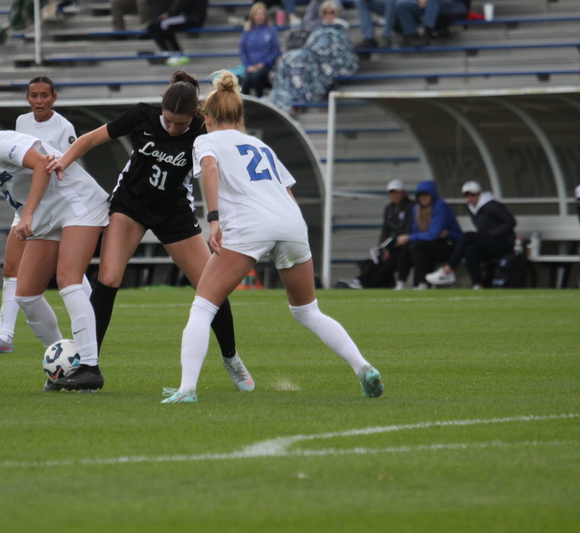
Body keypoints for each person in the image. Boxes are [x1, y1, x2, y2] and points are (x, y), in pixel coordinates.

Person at [161, 71, 384, 403]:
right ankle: (363, 367)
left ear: (206, 118)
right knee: (308, 311)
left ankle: (187, 389)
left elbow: (209, 169)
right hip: (291, 223)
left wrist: (214, 220)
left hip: (251, 226)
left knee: (203, 308)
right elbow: (287, 191)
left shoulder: (206, 140)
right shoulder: (261, 145)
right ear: (241, 119)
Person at [46, 71, 254, 393]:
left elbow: (223, 162)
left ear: (196, 115)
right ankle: (88, 367)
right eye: (167, 120)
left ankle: (231, 358)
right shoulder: (142, 115)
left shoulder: (203, 129)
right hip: (130, 205)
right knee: (108, 278)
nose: (171, 128)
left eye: (179, 124)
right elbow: (90, 139)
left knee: (210, 286)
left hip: (174, 212)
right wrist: (63, 161)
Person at [0, 108, 109, 392]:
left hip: (78, 203)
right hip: (48, 217)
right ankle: (65, 366)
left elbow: (42, 164)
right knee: (26, 295)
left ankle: (90, 368)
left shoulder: (1, 143)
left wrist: (26, 215)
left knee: (68, 280)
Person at [0, 75, 80, 355]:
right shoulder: (21, 122)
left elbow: (66, 164)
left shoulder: (64, 127)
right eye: (34, 95)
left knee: (70, 272)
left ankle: (88, 327)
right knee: (11, 268)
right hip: (25, 205)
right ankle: (4, 337)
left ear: (54, 97)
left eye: (44, 95)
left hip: (54, 206)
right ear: (27, 98)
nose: (39, 101)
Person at [267, 1, 357, 114]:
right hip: (311, 54)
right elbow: (310, 44)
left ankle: (299, 100)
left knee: (298, 60)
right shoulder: (319, 28)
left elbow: (339, 49)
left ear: (337, 14)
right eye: (326, 12)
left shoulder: (340, 29)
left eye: (332, 12)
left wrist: (321, 53)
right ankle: (283, 98)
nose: (329, 15)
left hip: (324, 60)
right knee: (287, 57)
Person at [426, 180, 517, 289]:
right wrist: (485, 237)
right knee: (469, 251)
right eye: (466, 195)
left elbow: (510, 222)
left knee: (468, 236)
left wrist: (491, 235)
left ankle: (447, 270)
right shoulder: (472, 209)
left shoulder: (492, 206)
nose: (469, 198)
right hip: (490, 243)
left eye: (472, 195)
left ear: (479, 194)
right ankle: (477, 285)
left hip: (504, 243)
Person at [342, 178, 414, 290]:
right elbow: (385, 230)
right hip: (392, 246)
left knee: (388, 261)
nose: (394, 195)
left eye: (396, 192)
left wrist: (390, 246)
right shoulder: (389, 209)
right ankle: (361, 281)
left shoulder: (412, 207)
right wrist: (383, 245)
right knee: (379, 260)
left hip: (405, 245)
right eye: (391, 193)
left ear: (403, 193)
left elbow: (407, 229)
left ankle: (364, 282)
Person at [394, 180, 463, 290]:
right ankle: (401, 282)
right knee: (408, 246)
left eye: (426, 195)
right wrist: (410, 238)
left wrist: (409, 237)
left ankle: (422, 283)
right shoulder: (417, 209)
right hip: (432, 243)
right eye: (421, 195)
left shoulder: (440, 206)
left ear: (432, 195)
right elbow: (417, 231)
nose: (423, 198)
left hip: (451, 244)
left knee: (417, 246)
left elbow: (433, 234)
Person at [238, 2, 281, 98]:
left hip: (266, 66)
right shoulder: (247, 32)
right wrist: (248, 65)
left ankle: (260, 101)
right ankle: (247, 104)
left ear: (265, 16)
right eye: (257, 14)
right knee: (245, 80)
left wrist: (263, 64)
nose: (259, 16)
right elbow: (243, 50)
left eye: (261, 14)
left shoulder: (271, 30)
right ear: (252, 16)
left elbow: (275, 50)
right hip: (250, 66)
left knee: (256, 78)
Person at [147, 0, 208, 66]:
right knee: (152, 26)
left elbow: (182, 4)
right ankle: (166, 52)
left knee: (165, 24)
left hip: (192, 18)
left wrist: (169, 14)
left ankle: (178, 52)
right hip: (186, 16)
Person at [396, 0, 470, 47]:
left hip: (456, 5)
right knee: (403, 5)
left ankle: (426, 35)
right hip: (431, 4)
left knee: (433, 1)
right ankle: (411, 35)